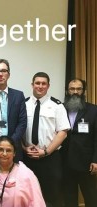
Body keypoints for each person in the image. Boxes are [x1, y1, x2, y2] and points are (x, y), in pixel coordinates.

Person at [23, 72, 70, 207]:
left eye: (44, 83)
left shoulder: (57, 105)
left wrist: (46, 151)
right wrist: (23, 148)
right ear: (32, 85)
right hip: (28, 157)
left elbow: (63, 132)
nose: (40, 86)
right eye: (37, 83)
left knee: (52, 194)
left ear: (48, 86)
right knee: (28, 194)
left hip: (51, 157)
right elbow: (18, 129)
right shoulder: (23, 104)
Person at [0, 136, 45, 207]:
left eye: (8, 150)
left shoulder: (26, 174)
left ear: (14, 153)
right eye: (0, 150)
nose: (4, 154)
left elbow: (37, 203)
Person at [61, 78, 97, 207]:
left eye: (78, 89)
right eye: (72, 89)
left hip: (86, 162)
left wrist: (95, 160)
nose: (75, 92)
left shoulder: (93, 110)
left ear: (83, 91)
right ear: (67, 91)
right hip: (65, 162)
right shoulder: (60, 109)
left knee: (91, 197)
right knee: (69, 197)